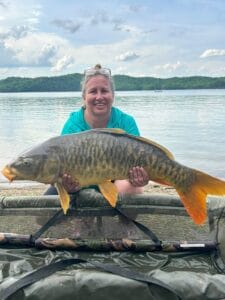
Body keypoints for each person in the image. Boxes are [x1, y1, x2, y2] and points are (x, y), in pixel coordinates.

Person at [44, 64, 149, 196]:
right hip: (80, 186)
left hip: (116, 183)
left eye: (104, 91)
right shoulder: (72, 126)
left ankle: (117, 216)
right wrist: (69, 186)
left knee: (133, 188)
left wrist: (141, 178)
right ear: (84, 97)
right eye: (93, 91)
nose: (99, 97)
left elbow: (141, 164)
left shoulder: (126, 122)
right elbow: (60, 172)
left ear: (112, 95)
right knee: (56, 191)